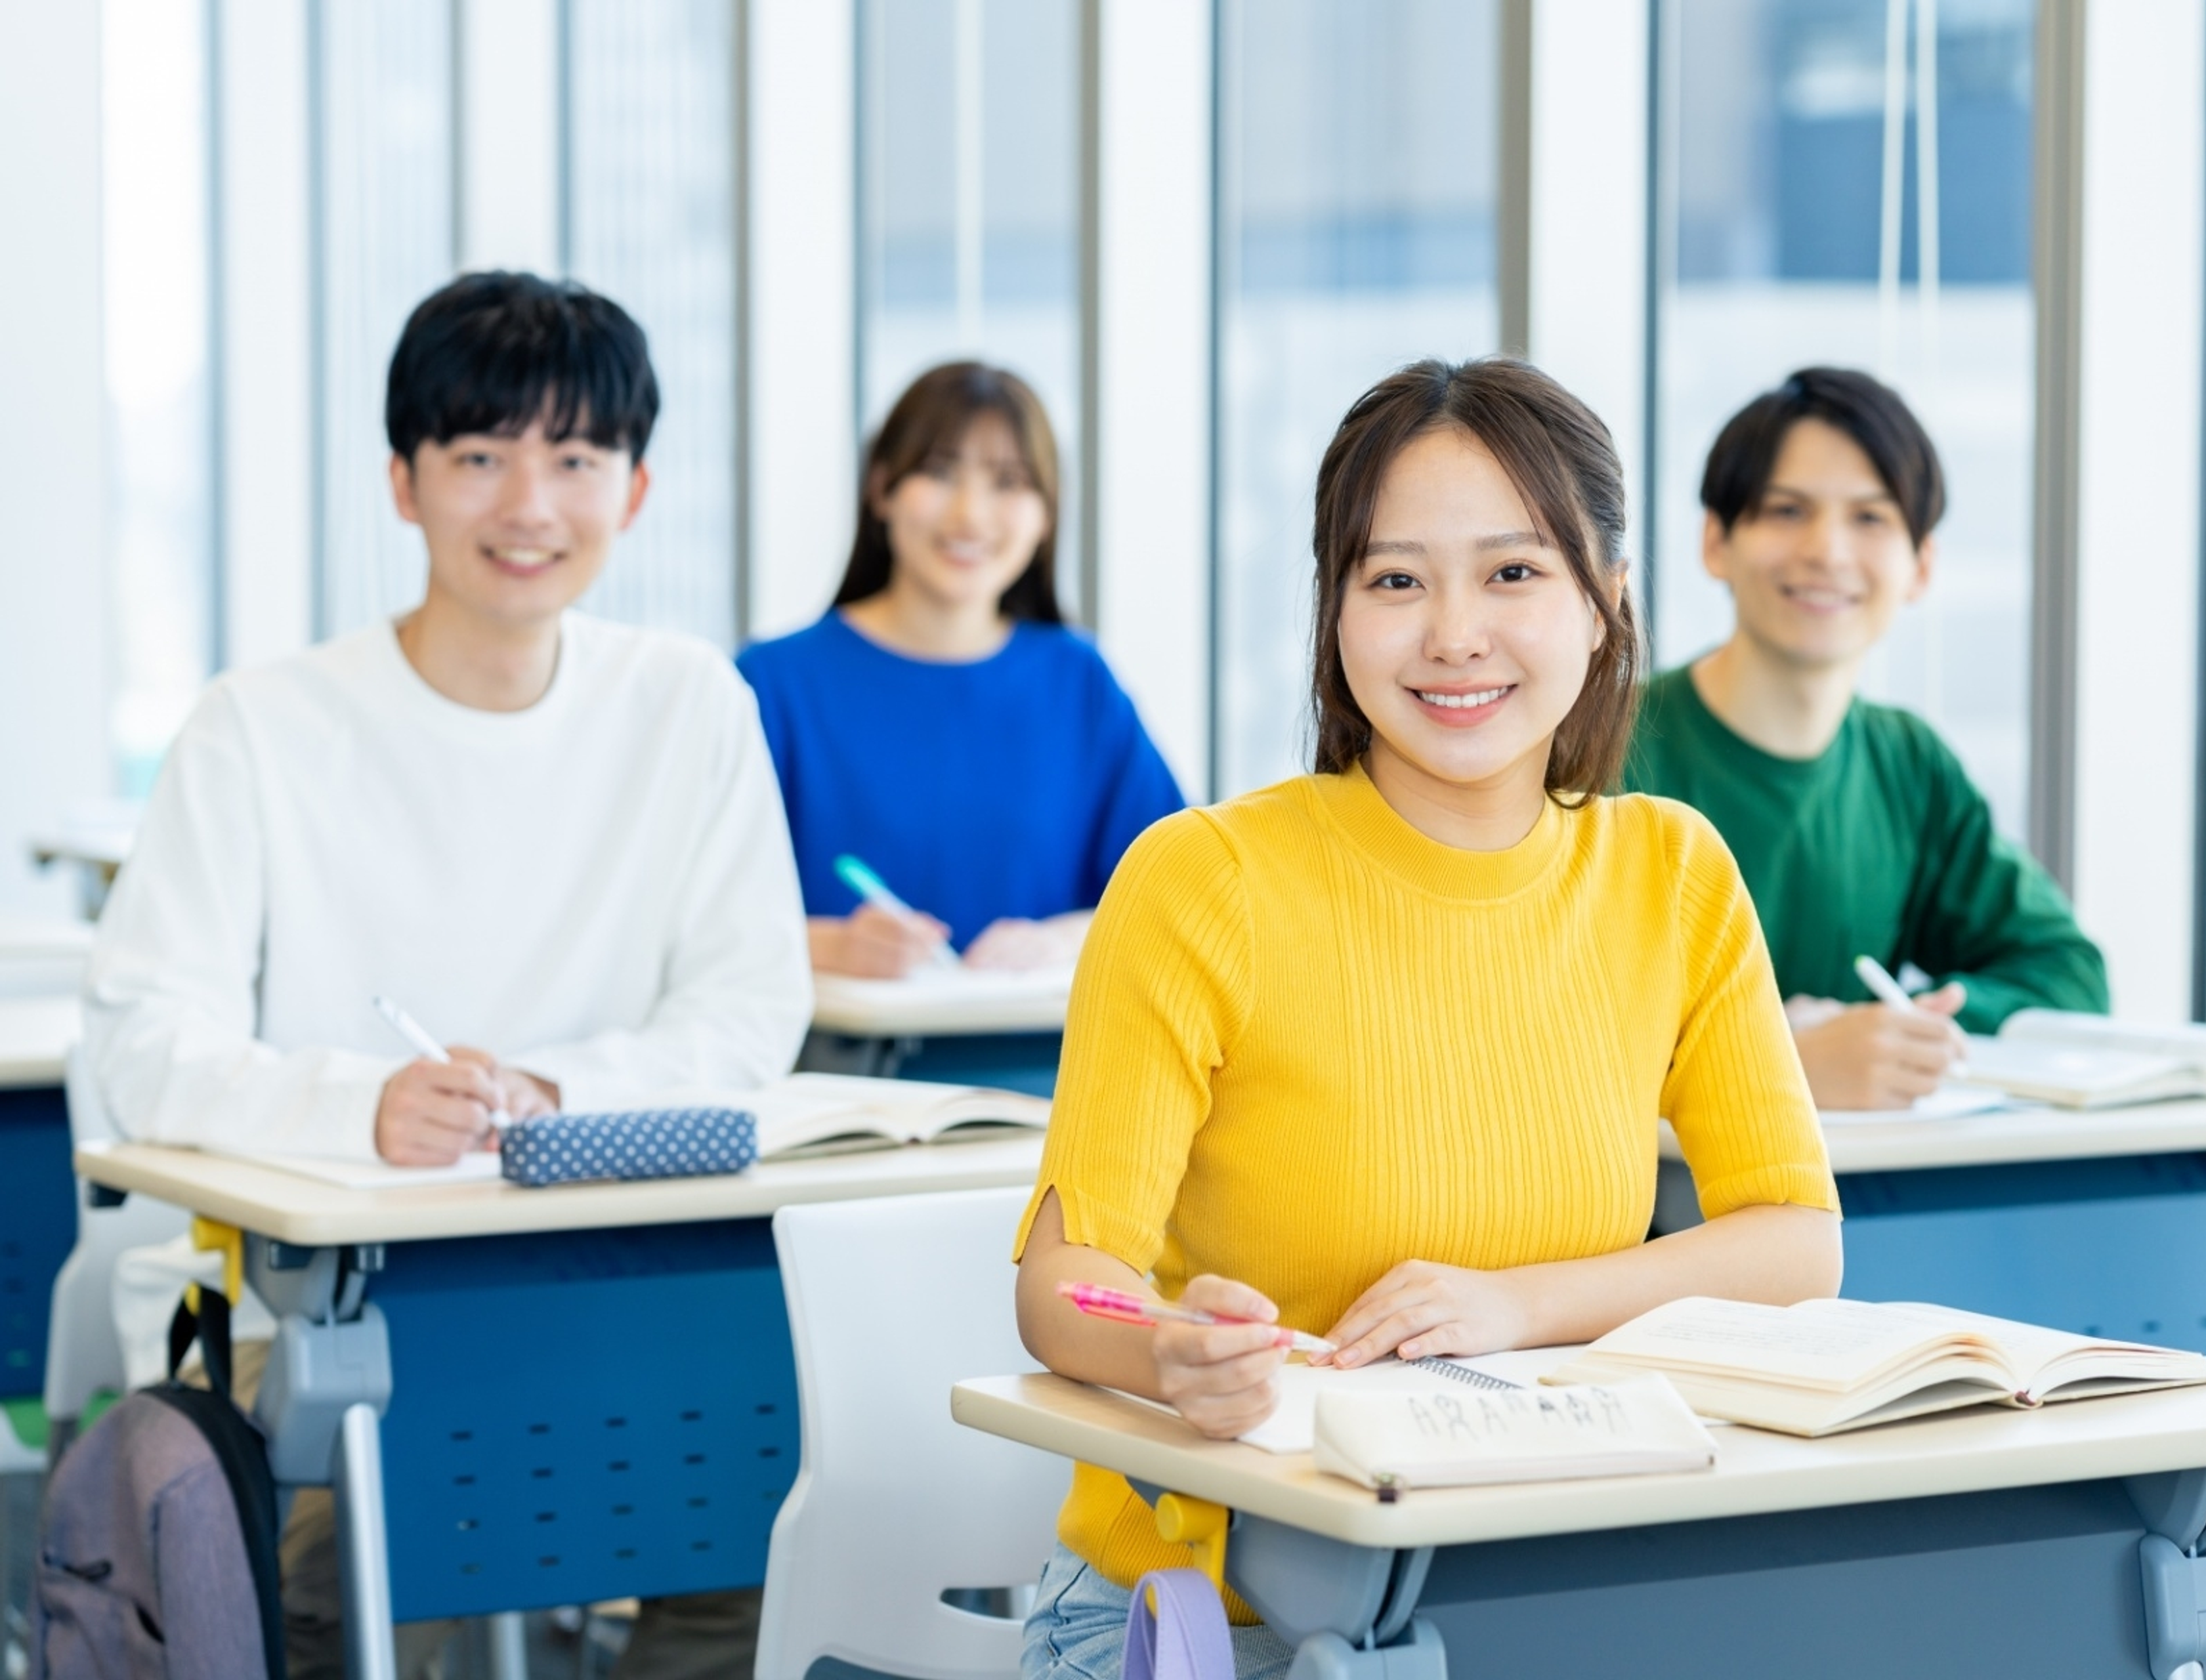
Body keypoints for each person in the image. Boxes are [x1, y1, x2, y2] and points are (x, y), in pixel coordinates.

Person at [1008, 358, 1842, 1680]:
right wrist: (1169, 1353)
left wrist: (1519, 1306)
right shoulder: (1203, 878)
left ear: (1607, 602)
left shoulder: (1674, 874)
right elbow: (1064, 1289)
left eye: (1513, 573)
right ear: (1337, 611)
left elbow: (1798, 1241)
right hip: (1215, 1617)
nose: (1453, 631)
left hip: (1535, 1577)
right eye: (1396, 578)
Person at [83, 270, 811, 1680]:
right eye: (480, 456)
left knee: (767, 1520)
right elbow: (137, 1042)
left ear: (636, 490)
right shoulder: (262, 728)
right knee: (342, 1567)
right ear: (406, 484)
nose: (530, 503)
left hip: (627, 1277)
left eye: (576, 458)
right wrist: (359, 1108)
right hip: (316, 1304)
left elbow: (748, 1010)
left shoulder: (690, 707)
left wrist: (552, 1088)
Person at [1623, 367, 2108, 1112]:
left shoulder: (1908, 764)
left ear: (1921, 566)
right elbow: (1531, 1025)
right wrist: (1767, 1057)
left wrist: (1896, 1034)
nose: (1827, 551)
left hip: (1858, 1201)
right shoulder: (1605, 749)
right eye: (1786, 510)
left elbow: (2068, 976)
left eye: (1871, 519)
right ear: (1716, 541)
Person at [738, 362, 1183, 985]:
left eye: (1008, 482)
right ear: (882, 488)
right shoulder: (771, 685)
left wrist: (1060, 941)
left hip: (1046, 1069)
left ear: (1046, 514)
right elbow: (688, 920)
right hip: (831, 1072)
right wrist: (831, 947)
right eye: (940, 472)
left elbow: (1179, 898)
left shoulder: (1078, 683)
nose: (971, 515)